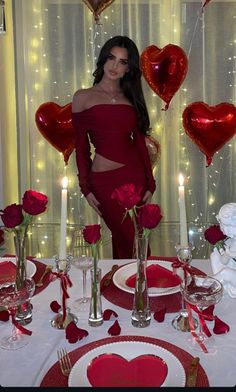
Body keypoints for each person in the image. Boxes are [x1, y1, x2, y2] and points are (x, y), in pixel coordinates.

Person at [72, 35, 156, 259]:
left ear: (128, 69)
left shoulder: (131, 98)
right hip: (104, 182)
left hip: (134, 178)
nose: (115, 66)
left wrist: (150, 182)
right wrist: (86, 187)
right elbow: (81, 148)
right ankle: (131, 287)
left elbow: (139, 143)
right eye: (111, 58)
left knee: (136, 242)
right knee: (128, 237)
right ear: (103, 59)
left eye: (122, 62)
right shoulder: (83, 97)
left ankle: (129, 291)